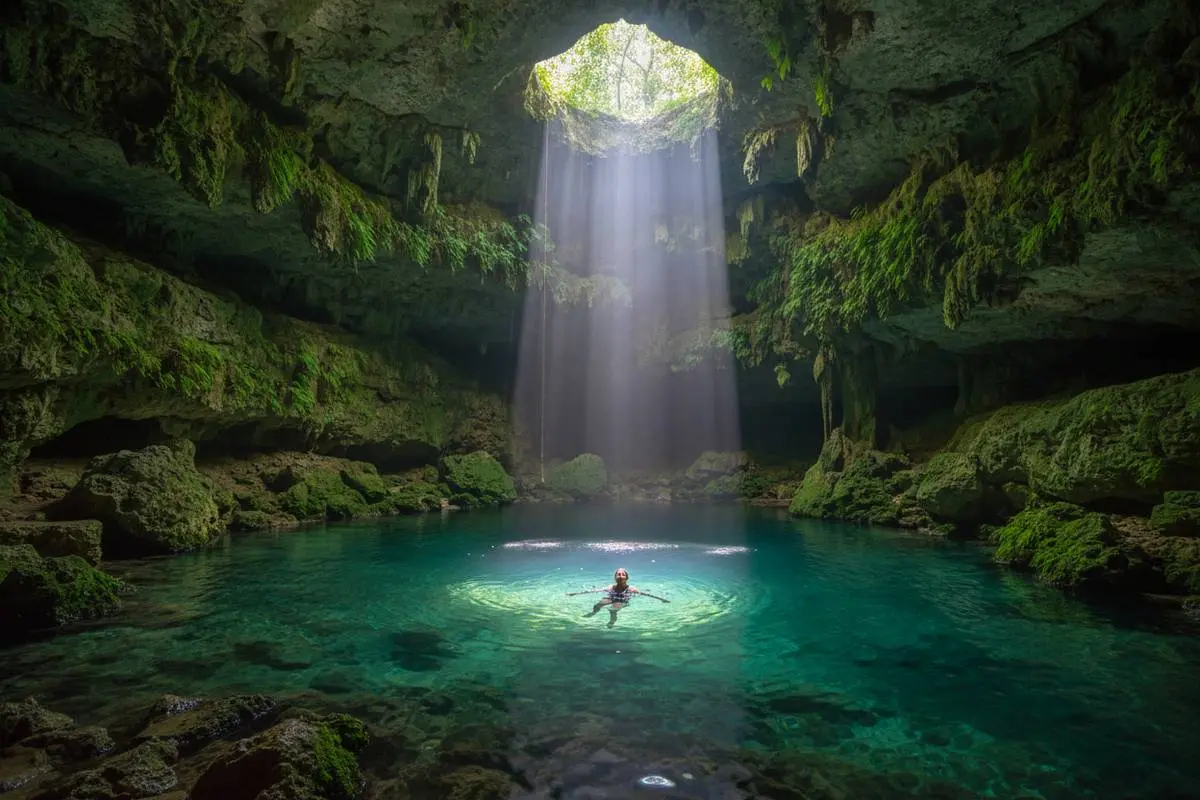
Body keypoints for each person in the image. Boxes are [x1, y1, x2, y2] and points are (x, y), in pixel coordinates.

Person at [566, 568, 669, 627]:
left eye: (622, 574)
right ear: (615, 577)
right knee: (598, 605)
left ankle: (612, 622)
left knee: (612, 610)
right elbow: (594, 590)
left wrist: (661, 599)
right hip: (611, 597)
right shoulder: (610, 587)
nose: (620, 575)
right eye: (618, 574)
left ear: (626, 578)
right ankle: (593, 613)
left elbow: (646, 594)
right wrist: (575, 593)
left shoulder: (631, 589)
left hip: (623, 600)